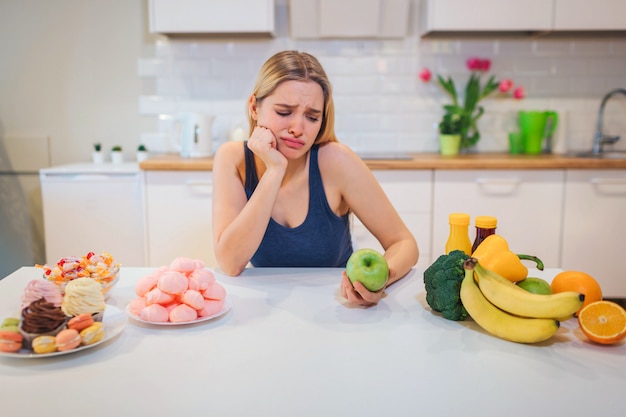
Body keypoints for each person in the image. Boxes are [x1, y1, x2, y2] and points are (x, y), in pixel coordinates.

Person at [212, 50, 418, 306]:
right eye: (284, 112)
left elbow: (404, 243)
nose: (298, 128)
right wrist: (274, 171)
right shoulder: (233, 159)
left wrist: (382, 279)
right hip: (267, 308)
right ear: (255, 107)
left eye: (311, 117)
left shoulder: (336, 161)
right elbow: (230, 263)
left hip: (338, 307)